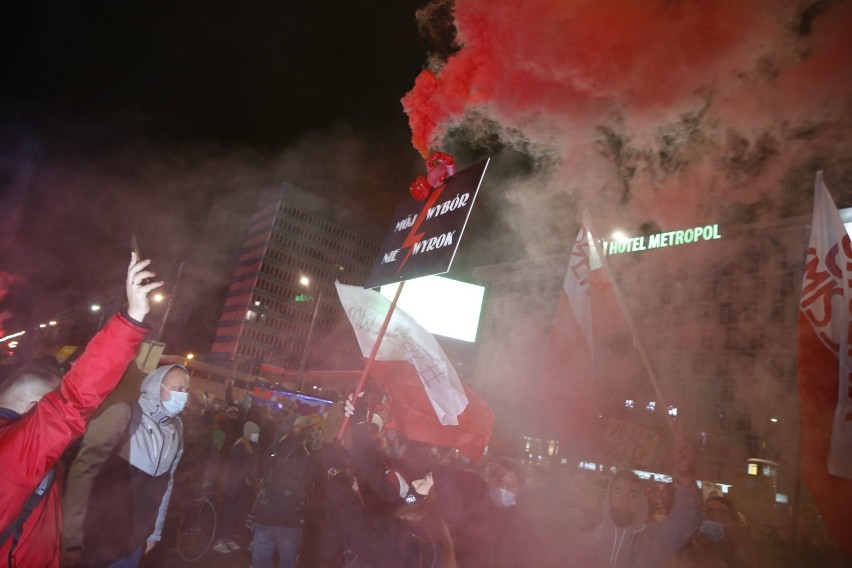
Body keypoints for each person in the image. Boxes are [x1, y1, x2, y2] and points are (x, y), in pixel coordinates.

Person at [0, 253, 160, 567]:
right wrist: (132, 318)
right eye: (48, 404)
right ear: (35, 410)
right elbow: (74, 400)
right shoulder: (13, 457)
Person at [61, 362, 191, 567]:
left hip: (134, 543)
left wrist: (154, 533)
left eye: (186, 390)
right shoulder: (125, 414)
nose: (184, 396)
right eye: (178, 389)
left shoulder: (176, 429)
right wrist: (72, 537)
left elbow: (166, 486)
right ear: (158, 387)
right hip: (98, 537)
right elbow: (84, 472)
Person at [572, 441, 701, 568]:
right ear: (609, 497)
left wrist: (684, 472)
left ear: (641, 501)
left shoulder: (655, 538)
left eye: (633, 494)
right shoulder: (590, 540)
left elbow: (685, 520)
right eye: (618, 492)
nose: (625, 500)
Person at [249, 416, 314, 568]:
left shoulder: (272, 454)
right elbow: (313, 485)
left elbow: (257, 476)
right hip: (292, 519)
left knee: (260, 563)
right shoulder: (308, 460)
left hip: (265, 515)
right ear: (305, 438)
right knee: (287, 563)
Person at [213, 420, 261, 553]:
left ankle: (228, 538)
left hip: (242, 488)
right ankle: (221, 540)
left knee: (236, 514)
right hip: (233, 486)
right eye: (254, 433)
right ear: (247, 434)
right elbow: (238, 469)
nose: (257, 435)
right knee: (229, 512)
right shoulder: (239, 447)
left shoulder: (251, 446)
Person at [671, 495, 755, 568]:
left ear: (732, 522)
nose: (708, 515)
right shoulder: (688, 548)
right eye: (705, 511)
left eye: (717, 512)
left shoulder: (741, 553)